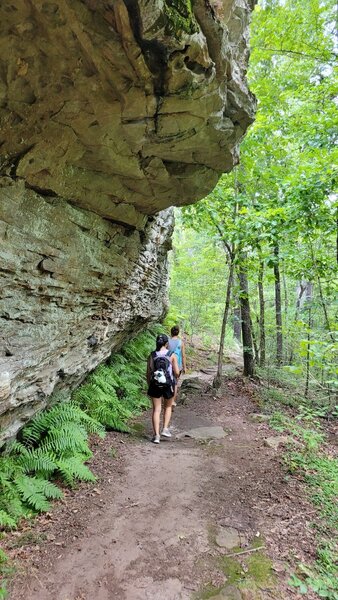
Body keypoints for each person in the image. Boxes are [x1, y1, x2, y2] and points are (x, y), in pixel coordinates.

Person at [146, 333, 180, 444]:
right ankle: (165, 428)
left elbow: (148, 372)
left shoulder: (152, 355)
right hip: (168, 384)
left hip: (155, 384)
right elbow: (176, 372)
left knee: (156, 409)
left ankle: (156, 436)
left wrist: (149, 384)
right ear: (166, 343)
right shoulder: (172, 355)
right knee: (168, 406)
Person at [168, 325, 186, 406]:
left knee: (168, 382)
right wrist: (184, 367)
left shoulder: (167, 342)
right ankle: (173, 401)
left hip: (168, 364)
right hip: (178, 366)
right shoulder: (181, 342)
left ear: (171, 333)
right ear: (178, 333)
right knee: (175, 383)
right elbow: (183, 356)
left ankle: (167, 399)